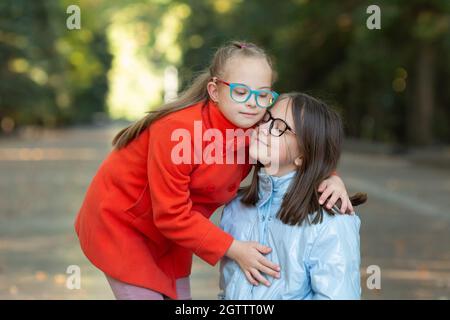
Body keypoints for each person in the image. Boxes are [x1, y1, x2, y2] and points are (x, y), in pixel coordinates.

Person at [74, 41, 352, 300]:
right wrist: (234, 248)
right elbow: (170, 214)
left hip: (177, 232)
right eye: (241, 92)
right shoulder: (177, 131)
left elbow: (301, 142)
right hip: (124, 224)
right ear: (214, 91)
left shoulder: (255, 128)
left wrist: (329, 176)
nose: (253, 103)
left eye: (263, 95)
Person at [219, 92, 367, 299]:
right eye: (266, 119)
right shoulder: (236, 208)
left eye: (279, 128)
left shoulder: (331, 223)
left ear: (302, 155)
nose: (264, 129)